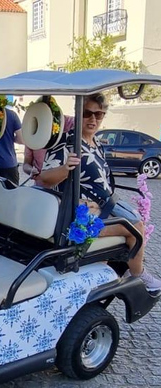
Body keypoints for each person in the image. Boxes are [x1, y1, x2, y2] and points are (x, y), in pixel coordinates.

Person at [37, 93, 161, 292]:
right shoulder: (67, 143)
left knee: (135, 221)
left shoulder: (97, 144)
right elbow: (45, 178)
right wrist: (65, 168)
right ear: (78, 114)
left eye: (99, 115)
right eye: (88, 113)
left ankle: (103, 277)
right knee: (136, 228)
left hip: (102, 208)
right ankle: (138, 276)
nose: (93, 119)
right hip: (79, 215)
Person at [23, 115, 75, 180]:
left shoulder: (66, 122)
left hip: (63, 185)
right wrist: (31, 170)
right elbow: (26, 164)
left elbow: (82, 123)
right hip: (41, 184)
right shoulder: (32, 136)